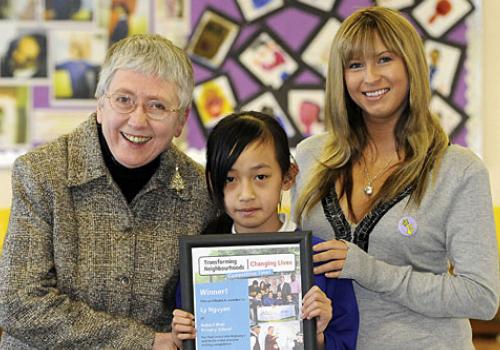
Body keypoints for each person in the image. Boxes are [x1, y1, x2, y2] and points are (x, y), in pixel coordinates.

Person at [292, 6, 499, 350]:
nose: (370, 77)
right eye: (355, 65)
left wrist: (370, 270)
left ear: (411, 65)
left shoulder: (459, 170)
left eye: (384, 59)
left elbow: (481, 296)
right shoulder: (309, 156)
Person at [0, 34, 216, 349]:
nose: (138, 120)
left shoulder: (202, 192)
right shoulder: (41, 174)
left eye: (157, 105)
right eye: (124, 100)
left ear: (181, 120)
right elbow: (18, 303)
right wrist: (142, 342)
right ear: (100, 105)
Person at [171, 111, 359, 350]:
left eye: (260, 176)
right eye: (230, 179)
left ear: (288, 176)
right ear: (212, 182)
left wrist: (317, 336)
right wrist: (183, 338)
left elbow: (344, 342)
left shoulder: (322, 259)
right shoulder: (199, 264)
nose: (246, 194)